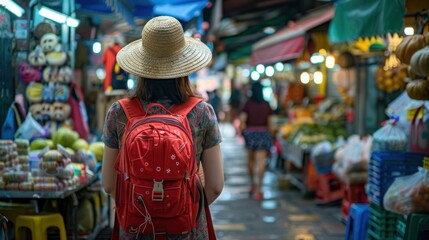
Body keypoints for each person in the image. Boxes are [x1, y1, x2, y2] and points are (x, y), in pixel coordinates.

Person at [101, 16, 224, 239]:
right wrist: (180, 207)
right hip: (188, 229)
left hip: (136, 228)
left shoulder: (118, 113)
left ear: (141, 66)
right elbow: (215, 186)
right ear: (184, 65)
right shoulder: (202, 113)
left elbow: (109, 184)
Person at [239, 81, 274, 200]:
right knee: (261, 161)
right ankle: (259, 189)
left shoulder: (247, 104)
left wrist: (242, 133)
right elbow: (271, 123)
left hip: (251, 133)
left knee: (251, 161)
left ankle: (252, 185)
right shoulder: (266, 104)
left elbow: (243, 120)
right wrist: (271, 134)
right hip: (264, 133)